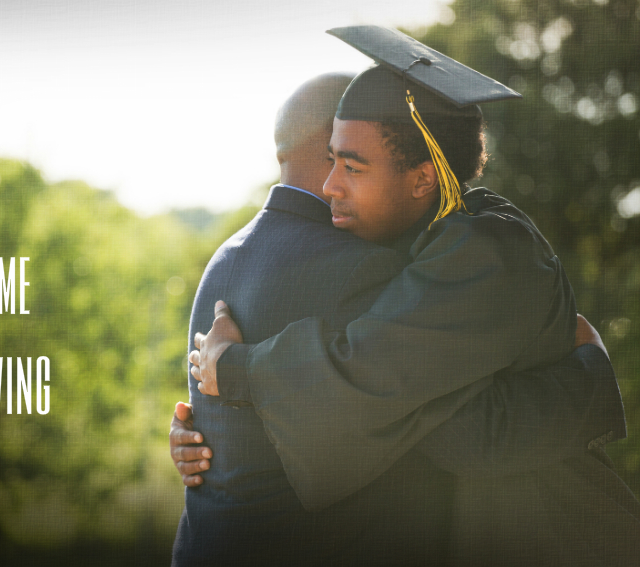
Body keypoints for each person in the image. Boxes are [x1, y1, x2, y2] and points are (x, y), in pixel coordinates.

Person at [182, 26, 640, 565]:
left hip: (557, 532)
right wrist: (212, 428)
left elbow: (446, 422)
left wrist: (237, 371)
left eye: (352, 166)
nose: (330, 184)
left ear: (423, 179)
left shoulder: (486, 251)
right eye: (331, 160)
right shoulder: (428, 241)